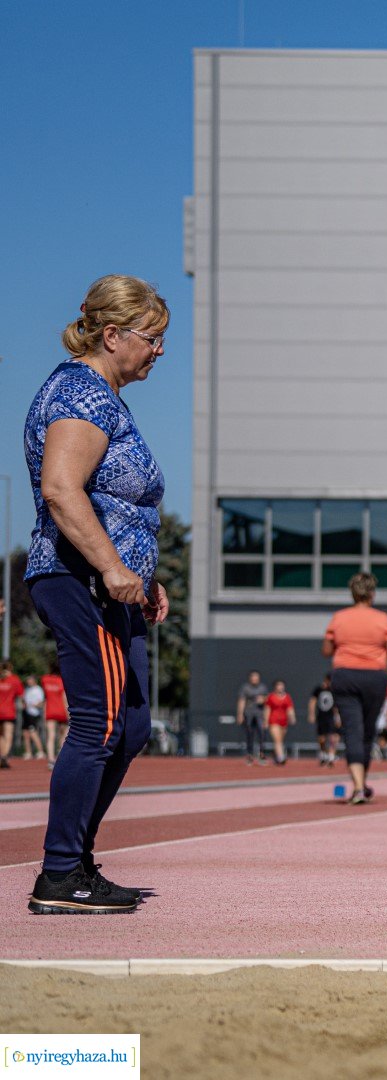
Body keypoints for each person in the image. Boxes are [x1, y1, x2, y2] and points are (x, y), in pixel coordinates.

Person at [25, 274, 171, 915]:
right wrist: (113, 566)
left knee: (132, 724)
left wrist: (143, 575)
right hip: (77, 579)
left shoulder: (106, 396)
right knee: (100, 723)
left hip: (113, 586)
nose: (159, 350)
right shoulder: (79, 393)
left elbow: (117, 502)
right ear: (111, 335)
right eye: (152, 337)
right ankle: (60, 875)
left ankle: (76, 862)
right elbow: (61, 488)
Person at [324, 572, 387, 805]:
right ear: (372, 594)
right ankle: (360, 784)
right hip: (373, 677)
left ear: (353, 593)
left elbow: (327, 650)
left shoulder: (339, 617)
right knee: (367, 732)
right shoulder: (382, 619)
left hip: (345, 676)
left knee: (352, 730)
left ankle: (358, 786)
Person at [236, 670, 269, 766]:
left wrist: (263, 700)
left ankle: (261, 755)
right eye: (253, 677)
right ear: (250, 678)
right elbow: (241, 701)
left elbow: (268, 701)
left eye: (256, 677)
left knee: (262, 734)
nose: (255, 679)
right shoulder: (245, 688)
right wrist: (240, 714)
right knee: (249, 735)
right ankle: (249, 755)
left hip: (260, 714)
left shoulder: (263, 688)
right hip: (248, 714)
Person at [309, 675, 340, 767]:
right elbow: (313, 701)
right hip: (321, 717)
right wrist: (311, 714)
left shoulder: (335, 691)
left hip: (331, 718)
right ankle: (323, 753)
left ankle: (331, 756)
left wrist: (338, 717)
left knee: (333, 737)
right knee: (321, 739)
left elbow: (336, 706)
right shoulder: (319, 689)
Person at [264, 680, 295, 765]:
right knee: (277, 740)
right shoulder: (271, 697)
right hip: (273, 720)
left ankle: (276, 756)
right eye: (278, 685)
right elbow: (267, 709)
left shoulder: (287, 697)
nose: (280, 687)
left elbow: (290, 709)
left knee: (280, 740)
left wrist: (292, 717)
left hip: (284, 721)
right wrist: (266, 721)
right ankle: (281, 757)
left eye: (282, 685)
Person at [41, 665, 67, 764]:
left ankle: (51, 759)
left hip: (50, 710)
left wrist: (44, 712)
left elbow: (45, 697)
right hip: (61, 711)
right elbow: (64, 698)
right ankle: (60, 756)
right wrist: (68, 713)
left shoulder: (45, 679)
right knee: (63, 735)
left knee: (51, 735)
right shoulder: (62, 680)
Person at [21, 676, 47, 761]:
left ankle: (40, 751)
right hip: (26, 713)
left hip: (34, 713)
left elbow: (41, 702)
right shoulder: (27, 689)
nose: (28, 682)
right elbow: (24, 700)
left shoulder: (38, 689)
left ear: (34, 680)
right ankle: (28, 752)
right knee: (25, 733)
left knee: (33, 732)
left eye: (30, 680)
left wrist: (33, 705)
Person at [0, 660, 20, 770]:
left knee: (1, 735)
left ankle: (2, 755)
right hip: (8, 711)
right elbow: (20, 693)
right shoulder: (14, 680)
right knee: (8, 735)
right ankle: (4, 756)